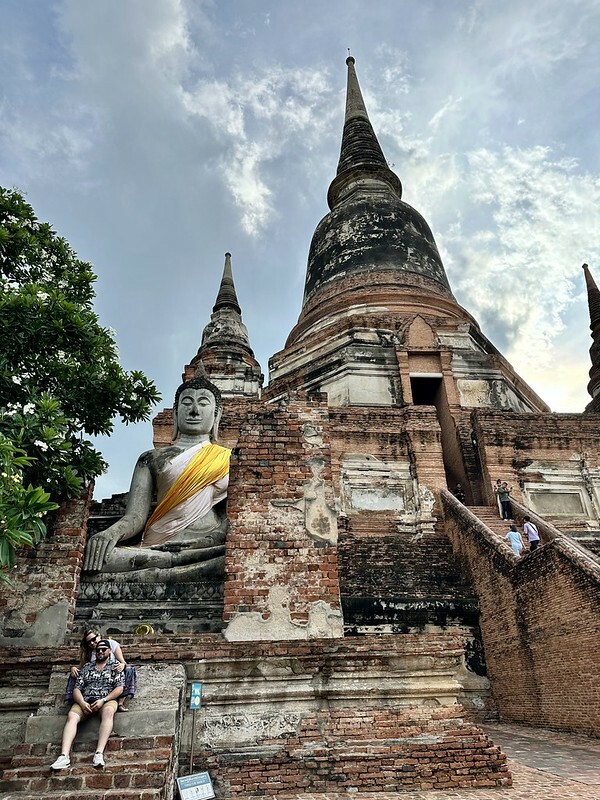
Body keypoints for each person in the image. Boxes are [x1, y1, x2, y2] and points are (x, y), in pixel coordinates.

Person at [83, 376, 231, 576]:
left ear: (217, 414)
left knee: (232, 560)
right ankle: (173, 565)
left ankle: (172, 566)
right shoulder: (150, 458)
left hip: (207, 547)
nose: (194, 410)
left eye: (203, 403)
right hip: (156, 546)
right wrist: (111, 533)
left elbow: (232, 517)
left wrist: (211, 540)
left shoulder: (229, 459)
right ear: (175, 413)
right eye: (187, 402)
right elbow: (135, 517)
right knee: (103, 558)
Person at [51, 639, 124, 770]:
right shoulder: (87, 667)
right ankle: (64, 756)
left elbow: (119, 688)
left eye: (103, 649)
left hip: (106, 699)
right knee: (72, 716)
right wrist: (82, 702)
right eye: (98, 650)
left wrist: (103, 700)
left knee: (108, 712)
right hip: (86, 700)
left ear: (109, 651)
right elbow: (77, 689)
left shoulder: (115, 667)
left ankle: (99, 753)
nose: (100, 652)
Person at [65, 629, 136, 711]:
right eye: (89, 642)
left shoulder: (112, 644)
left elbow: (123, 662)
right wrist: (73, 668)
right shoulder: (89, 652)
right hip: (95, 678)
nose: (92, 643)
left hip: (113, 674)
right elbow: (82, 668)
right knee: (74, 674)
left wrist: (122, 665)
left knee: (129, 670)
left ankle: (120, 703)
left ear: (99, 635)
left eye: (93, 639)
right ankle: (75, 700)